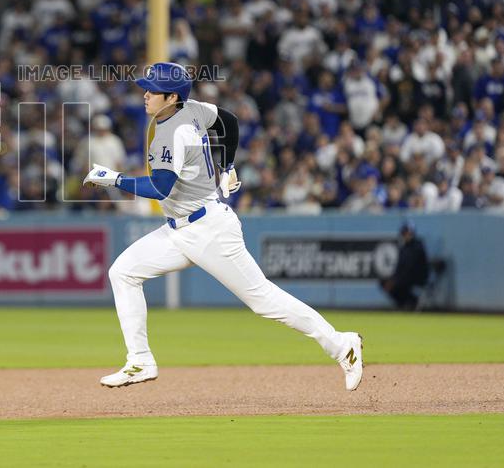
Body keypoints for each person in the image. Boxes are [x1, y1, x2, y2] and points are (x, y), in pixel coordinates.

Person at [83, 62, 364, 391]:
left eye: (153, 90)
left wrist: (114, 179)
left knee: (264, 300)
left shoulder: (171, 134)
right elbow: (228, 121)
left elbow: (160, 188)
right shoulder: (193, 109)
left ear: (172, 97)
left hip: (209, 230)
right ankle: (140, 360)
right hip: (179, 229)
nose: (145, 94)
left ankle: (341, 344)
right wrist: (227, 165)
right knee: (123, 272)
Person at [380, 222, 429, 310]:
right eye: (405, 233)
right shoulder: (403, 247)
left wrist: (395, 280)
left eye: (409, 233)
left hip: (416, 277)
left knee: (397, 284)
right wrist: (393, 278)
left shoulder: (417, 247)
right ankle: (405, 304)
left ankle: (412, 301)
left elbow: (410, 267)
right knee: (384, 282)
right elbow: (399, 267)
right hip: (404, 277)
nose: (407, 235)